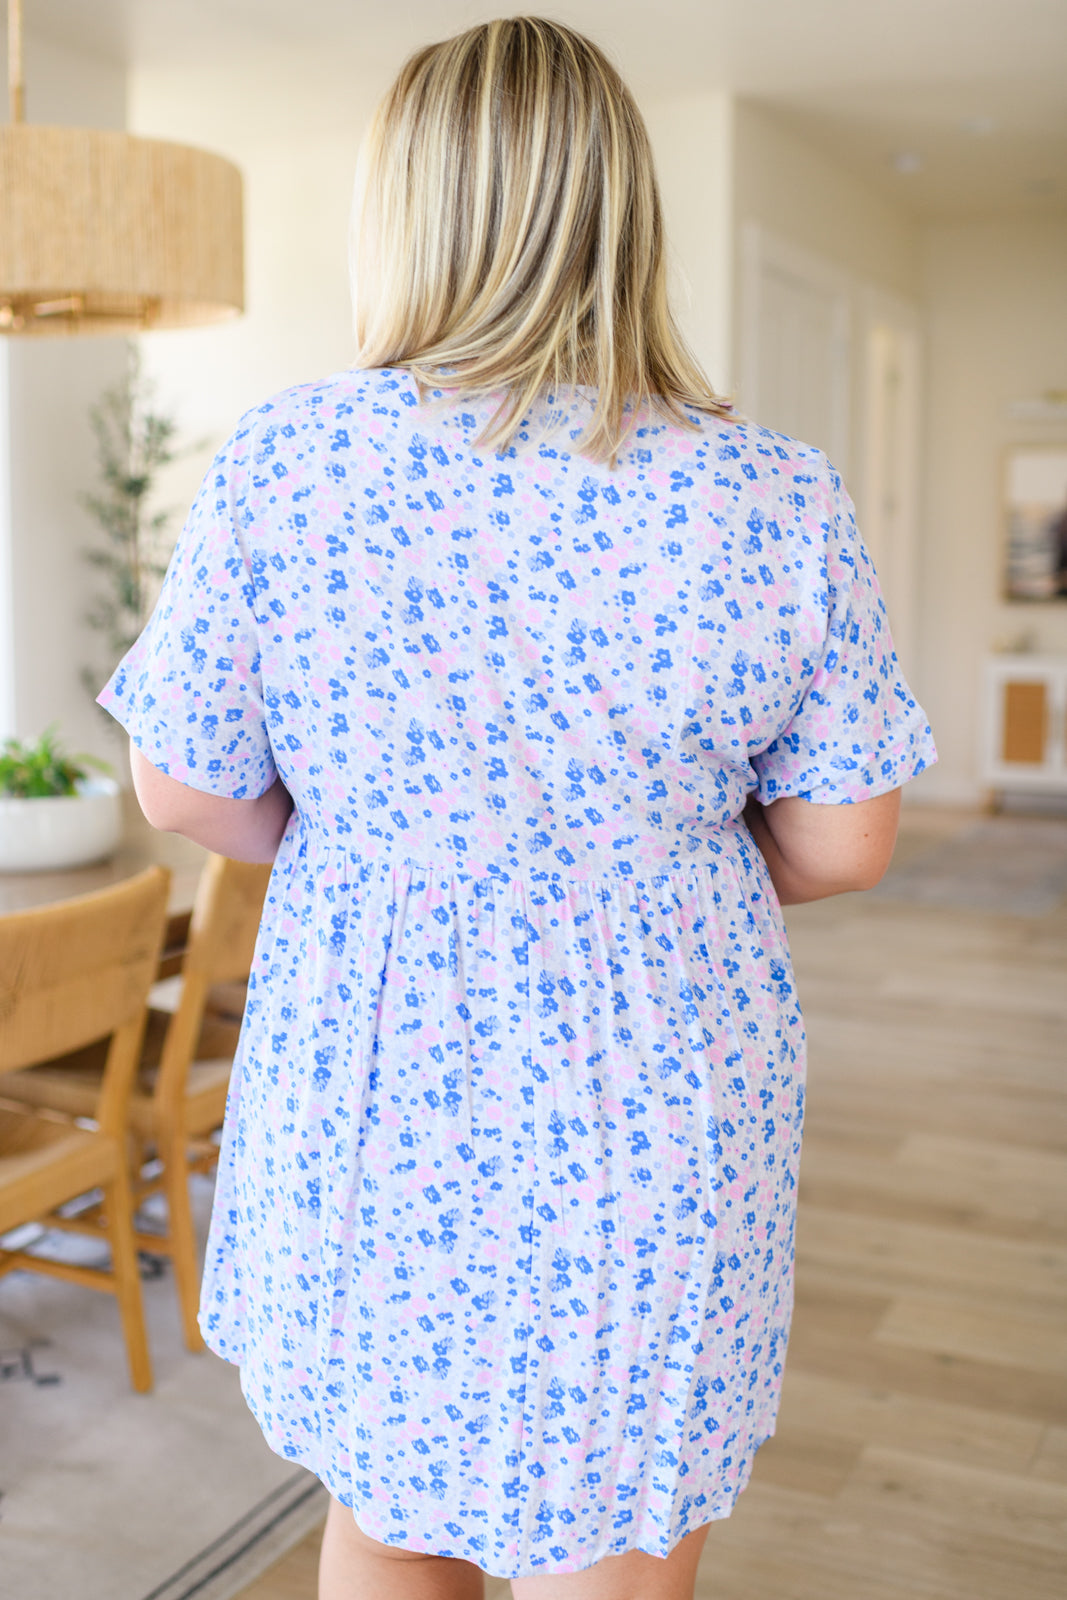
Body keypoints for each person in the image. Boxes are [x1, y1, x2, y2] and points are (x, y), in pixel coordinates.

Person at [102, 17, 936, 1600]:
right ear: (626, 211)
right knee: (619, 1525)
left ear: (403, 216)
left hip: (381, 1060)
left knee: (382, 1504)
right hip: (656, 1081)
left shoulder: (295, 460)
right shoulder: (771, 492)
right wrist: (650, 848)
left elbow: (182, 780)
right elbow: (847, 838)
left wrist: (368, 843)